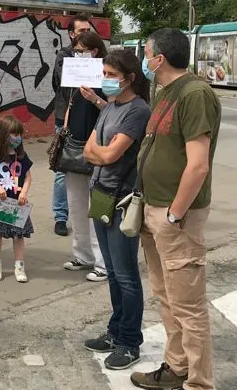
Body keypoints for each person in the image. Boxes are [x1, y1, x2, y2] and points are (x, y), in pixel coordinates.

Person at [130, 28, 221, 390]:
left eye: (147, 54)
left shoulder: (195, 93)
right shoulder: (165, 91)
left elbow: (198, 164)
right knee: (166, 296)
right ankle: (176, 366)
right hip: (155, 211)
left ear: (160, 59)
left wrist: (174, 213)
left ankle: (199, 383)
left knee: (189, 305)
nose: (145, 60)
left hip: (176, 216)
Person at [82, 49, 152, 371]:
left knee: (126, 275)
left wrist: (101, 153)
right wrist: (100, 153)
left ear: (130, 78)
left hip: (123, 199)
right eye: (105, 74)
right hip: (99, 193)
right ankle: (114, 331)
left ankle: (129, 341)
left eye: (111, 75)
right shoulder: (110, 107)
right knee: (111, 271)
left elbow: (109, 155)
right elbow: (89, 150)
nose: (106, 81)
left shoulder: (138, 111)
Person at [62, 30, 109, 282]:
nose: (79, 54)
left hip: (99, 147)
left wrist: (94, 99)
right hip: (74, 146)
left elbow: (114, 109)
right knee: (75, 204)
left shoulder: (106, 75)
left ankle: (103, 262)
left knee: (97, 207)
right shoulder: (75, 76)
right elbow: (69, 107)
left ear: (95, 51)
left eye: (83, 50)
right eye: (76, 50)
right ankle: (82, 255)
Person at [51, 15, 95, 236]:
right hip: (67, 120)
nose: (85, 33)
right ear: (71, 34)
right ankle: (60, 216)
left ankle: (88, 213)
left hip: (91, 121)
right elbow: (62, 80)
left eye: (88, 29)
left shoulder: (98, 55)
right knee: (63, 169)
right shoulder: (64, 55)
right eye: (81, 31)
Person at [0, 115, 34, 283]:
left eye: (19, 134)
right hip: (0, 201)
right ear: (3, 135)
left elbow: (27, 177)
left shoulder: (22, 157)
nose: (17, 138)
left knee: (18, 235)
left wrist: (24, 192)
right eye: (14, 134)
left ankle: (19, 266)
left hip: (17, 201)